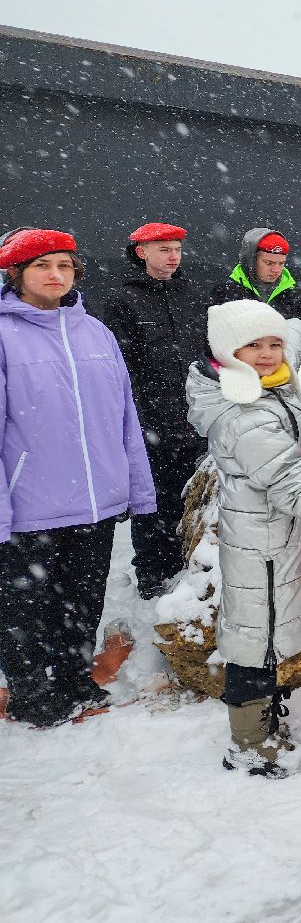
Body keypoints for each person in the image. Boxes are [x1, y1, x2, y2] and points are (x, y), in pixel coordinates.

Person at [186, 300, 301, 777]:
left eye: (272, 345)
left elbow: (289, 337)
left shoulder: (266, 376)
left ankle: (265, 714)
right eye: (254, 346)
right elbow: (287, 478)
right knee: (255, 641)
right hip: (261, 546)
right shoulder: (241, 412)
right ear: (227, 352)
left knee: (267, 634)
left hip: (280, 538)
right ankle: (249, 741)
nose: (268, 354)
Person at [0, 229, 156, 727]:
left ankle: (73, 679)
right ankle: (32, 695)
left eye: (65, 266)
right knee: (26, 609)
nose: (55, 275)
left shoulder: (96, 333)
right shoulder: (4, 334)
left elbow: (126, 416)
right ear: (17, 275)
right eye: (43, 266)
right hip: (30, 503)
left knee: (82, 599)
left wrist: (134, 485)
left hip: (96, 502)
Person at [103, 222, 210, 599]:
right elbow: (124, 367)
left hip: (196, 418)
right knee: (153, 501)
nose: (173, 256)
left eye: (177, 249)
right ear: (141, 252)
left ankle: (187, 564)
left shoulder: (195, 296)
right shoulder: (123, 300)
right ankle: (151, 572)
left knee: (193, 497)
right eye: (164, 248)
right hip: (151, 421)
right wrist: (140, 419)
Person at [208, 227, 301, 326]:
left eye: (281, 263)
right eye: (269, 263)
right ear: (251, 261)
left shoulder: (295, 297)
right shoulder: (225, 295)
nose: (276, 270)